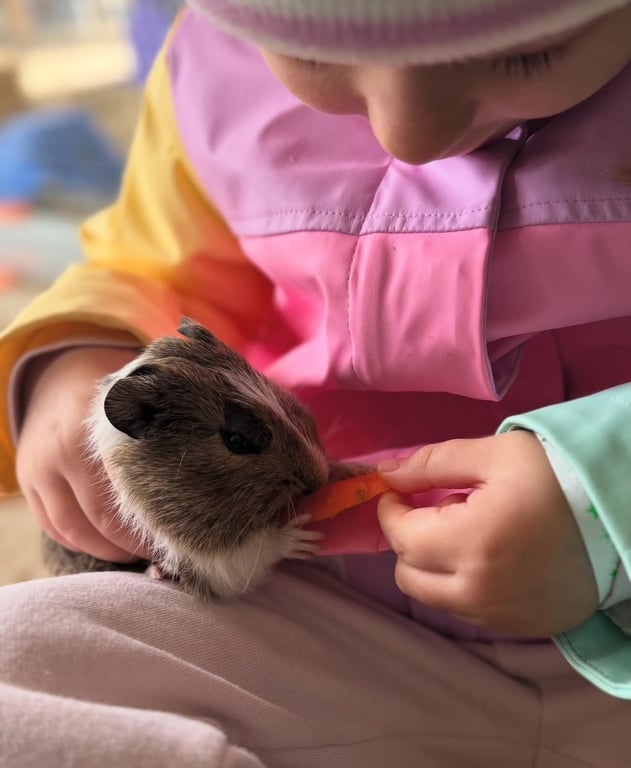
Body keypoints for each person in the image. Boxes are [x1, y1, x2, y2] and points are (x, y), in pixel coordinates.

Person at [1, 0, 631, 764]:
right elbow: (152, 271)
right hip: (314, 602)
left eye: (527, 53)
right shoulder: (207, 68)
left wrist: (602, 496)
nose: (410, 133)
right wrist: (72, 353)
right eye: (313, 57)